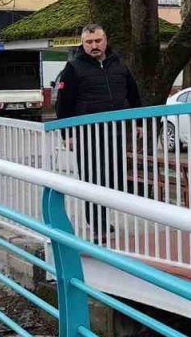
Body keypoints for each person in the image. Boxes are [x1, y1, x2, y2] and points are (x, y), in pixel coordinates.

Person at [54, 24, 142, 244]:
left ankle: (103, 219)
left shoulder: (119, 63)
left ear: (105, 40)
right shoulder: (73, 67)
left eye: (98, 41)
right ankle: (98, 226)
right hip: (87, 134)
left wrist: (139, 123)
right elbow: (63, 104)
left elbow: (133, 93)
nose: (94, 46)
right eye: (89, 42)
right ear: (83, 43)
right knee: (92, 179)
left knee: (112, 178)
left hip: (115, 131)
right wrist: (67, 135)